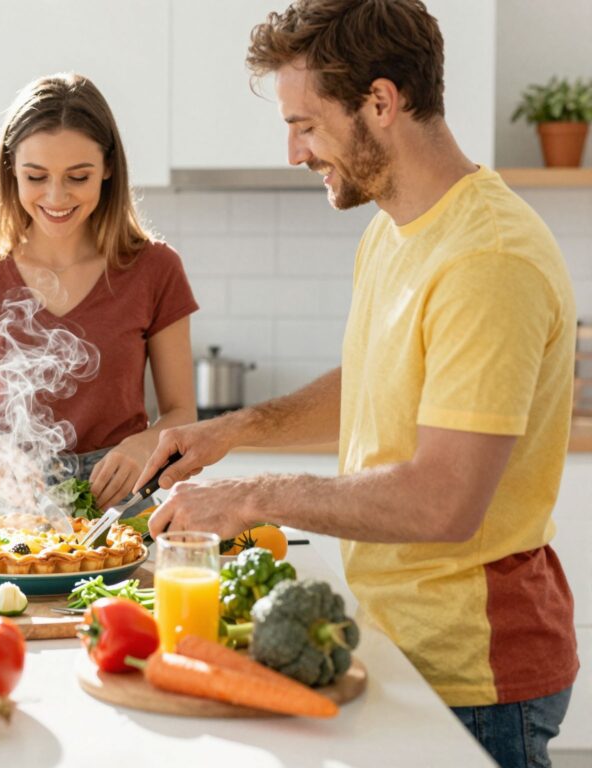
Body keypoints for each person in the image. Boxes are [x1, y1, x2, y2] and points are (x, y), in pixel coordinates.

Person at [137, 2, 577, 765]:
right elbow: (377, 378)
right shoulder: (395, 229)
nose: (293, 152)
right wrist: (232, 430)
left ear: (381, 102)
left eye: (306, 124)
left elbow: (445, 499)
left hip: (475, 674)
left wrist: (252, 495)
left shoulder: (489, 259)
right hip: (398, 641)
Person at [0, 73, 197, 514]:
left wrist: (144, 446)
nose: (56, 196)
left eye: (77, 177)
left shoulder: (156, 268)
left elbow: (182, 412)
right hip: (1, 497)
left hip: (116, 498)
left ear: (108, 168)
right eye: (36, 176)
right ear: (11, 168)